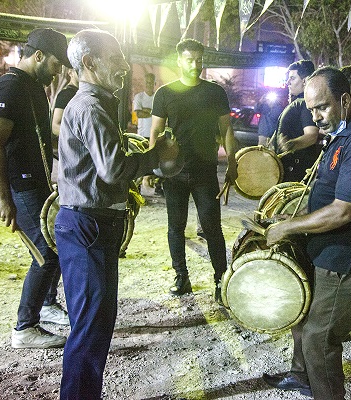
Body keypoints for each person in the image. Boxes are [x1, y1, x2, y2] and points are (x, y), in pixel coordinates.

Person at [55, 29, 178, 399]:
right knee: (90, 329)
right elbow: (111, 168)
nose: (125, 66)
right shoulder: (90, 107)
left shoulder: (95, 103)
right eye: (116, 58)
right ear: (89, 63)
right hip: (87, 225)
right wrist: (158, 155)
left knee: (95, 325)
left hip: (90, 224)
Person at [262, 66, 351, 399]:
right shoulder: (346, 131)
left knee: (319, 340)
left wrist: (287, 227)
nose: (316, 116)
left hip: (344, 258)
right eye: (311, 109)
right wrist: (296, 215)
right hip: (327, 251)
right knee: (304, 321)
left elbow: (343, 211)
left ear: (345, 100)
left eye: (323, 107)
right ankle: (303, 376)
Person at [0, 28, 72, 349]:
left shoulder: (33, 87)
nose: (58, 71)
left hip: (36, 183)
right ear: (38, 56)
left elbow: (40, 139)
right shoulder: (9, 86)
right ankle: (25, 327)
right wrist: (4, 198)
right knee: (46, 253)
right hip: (18, 187)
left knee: (58, 240)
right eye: (55, 64)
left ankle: (47, 305)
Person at [150, 38, 237, 302]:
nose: (195, 65)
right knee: (175, 227)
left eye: (199, 60)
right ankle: (181, 276)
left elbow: (226, 130)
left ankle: (221, 280)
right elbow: (155, 131)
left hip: (205, 170)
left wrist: (232, 162)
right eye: (189, 59)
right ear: (179, 61)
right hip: (174, 172)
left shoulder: (215, 92)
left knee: (212, 228)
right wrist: (153, 166)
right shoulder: (165, 93)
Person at [274, 60, 320, 183]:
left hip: (294, 172)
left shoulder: (305, 104)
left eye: (293, 78)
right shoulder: (299, 103)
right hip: (289, 169)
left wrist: (290, 144)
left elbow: (311, 135)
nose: (288, 82)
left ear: (305, 81)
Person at [51, 67, 79, 155]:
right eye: (78, 70)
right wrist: (79, 136)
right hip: (70, 151)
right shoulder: (66, 95)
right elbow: (55, 126)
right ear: (70, 73)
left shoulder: (81, 93)